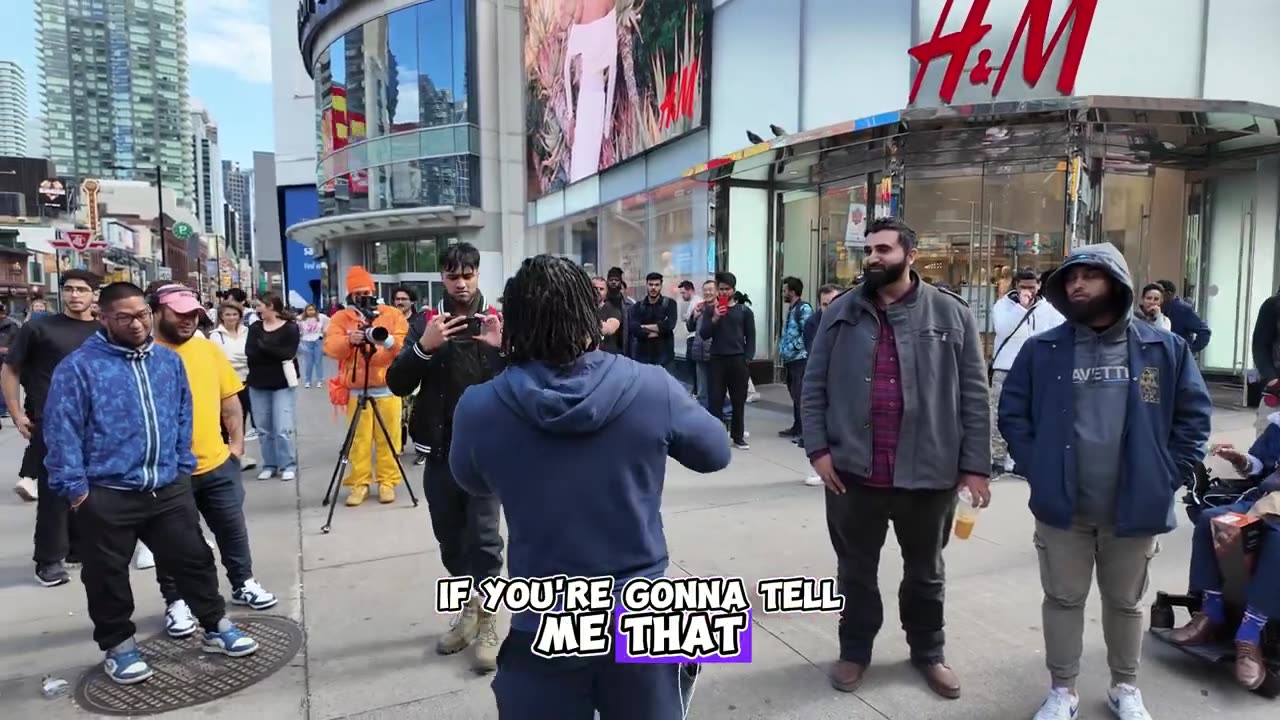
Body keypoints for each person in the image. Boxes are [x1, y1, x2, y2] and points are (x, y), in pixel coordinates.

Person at [450, 255, 732, 716]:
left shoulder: (480, 406)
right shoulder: (651, 386)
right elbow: (715, 452)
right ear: (592, 317)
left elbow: (471, 480)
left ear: (514, 322)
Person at [999, 243, 1212, 720]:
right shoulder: (1043, 350)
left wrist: (1167, 475)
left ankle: (1125, 687)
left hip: (1134, 507)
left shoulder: (1164, 348)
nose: (1077, 284)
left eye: (1090, 275)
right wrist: (1038, 466)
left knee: (1126, 602)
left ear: (1117, 283)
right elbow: (1013, 414)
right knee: (1062, 599)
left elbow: (1194, 419)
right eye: (1072, 277)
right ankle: (1062, 690)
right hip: (1062, 507)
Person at [802, 217, 990, 700]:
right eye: (868, 250)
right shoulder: (841, 311)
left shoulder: (951, 314)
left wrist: (975, 465)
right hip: (853, 475)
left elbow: (973, 393)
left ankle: (928, 651)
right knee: (855, 572)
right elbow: (814, 384)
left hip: (929, 474)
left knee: (926, 571)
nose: (872, 258)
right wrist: (819, 450)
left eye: (883, 249)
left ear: (911, 255)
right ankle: (855, 650)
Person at [42, 282, 258, 685]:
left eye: (142, 315)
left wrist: (180, 463)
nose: (137, 324)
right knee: (107, 575)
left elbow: (182, 412)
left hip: (167, 486)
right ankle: (119, 647)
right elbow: (61, 432)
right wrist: (76, 490)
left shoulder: (166, 361)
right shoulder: (79, 367)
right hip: (107, 491)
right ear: (102, 318)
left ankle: (215, 625)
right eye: (125, 318)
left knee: (194, 559)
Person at [385, 243, 505, 672]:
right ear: (442, 278)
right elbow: (396, 383)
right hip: (439, 451)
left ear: (477, 275)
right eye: (453, 275)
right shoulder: (423, 322)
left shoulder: (498, 319)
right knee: (451, 540)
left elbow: (521, 379)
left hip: (485, 453)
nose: (461, 282)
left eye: (468, 274)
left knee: (486, 544)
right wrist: (424, 347)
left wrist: (500, 348)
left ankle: (489, 621)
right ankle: (469, 610)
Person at [147, 284, 278, 638]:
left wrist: (235, 448)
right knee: (175, 542)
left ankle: (243, 582)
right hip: (169, 472)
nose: (189, 320)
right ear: (156, 312)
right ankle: (177, 601)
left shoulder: (207, 350)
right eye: (179, 313)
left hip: (218, 463)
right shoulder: (142, 355)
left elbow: (230, 401)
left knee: (232, 531)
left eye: (194, 313)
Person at [1, 270, 101, 584]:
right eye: (69, 289)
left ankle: (78, 550)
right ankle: (48, 560)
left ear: (94, 295)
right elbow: (10, 369)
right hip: (51, 421)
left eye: (82, 290)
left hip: (97, 422)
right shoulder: (38, 328)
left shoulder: (105, 331)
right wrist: (17, 413)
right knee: (54, 494)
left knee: (93, 490)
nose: (74, 295)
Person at [1170, 428, 1280, 690]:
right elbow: (1257, 464)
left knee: (1276, 538)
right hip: (1267, 501)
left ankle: (1250, 635)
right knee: (1211, 519)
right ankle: (1211, 612)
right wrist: (1239, 460)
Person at [325, 266, 409, 505]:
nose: (362, 296)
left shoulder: (392, 314)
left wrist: (387, 339)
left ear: (374, 291)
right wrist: (348, 340)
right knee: (359, 442)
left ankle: (387, 482)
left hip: (387, 388)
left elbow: (403, 347)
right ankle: (359, 484)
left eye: (366, 291)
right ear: (350, 295)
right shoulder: (341, 318)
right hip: (356, 390)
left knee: (389, 439)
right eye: (357, 293)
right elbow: (330, 347)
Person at [989, 268, 1065, 476]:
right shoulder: (1003, 306)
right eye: (1023, 287)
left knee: (1032, 415)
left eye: (1032, 286)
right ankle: (997, 459)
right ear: (1016, 286)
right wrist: (1021, 308)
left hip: (1036, 370)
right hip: (1005, 368)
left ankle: (1021, 460)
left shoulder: (1048, 309)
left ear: (1039, 286)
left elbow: (1059, 332)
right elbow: (1002, 329)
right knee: (998, 415)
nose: (1028, 291)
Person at [246, 292, 301, 481]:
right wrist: (272, 351)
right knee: (263, 428)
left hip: (282, 383)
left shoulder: (290, 328)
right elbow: (250, 353)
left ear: (270, 306)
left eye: (259, 305)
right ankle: (269, 464)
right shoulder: (255, 328)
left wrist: (264, 347)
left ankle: (288, 464)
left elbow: (288, 353)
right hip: (258, 382)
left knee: (282, 428)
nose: (257, 309)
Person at [700, 271, 756, 450]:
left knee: (738, 400)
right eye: (721, 289)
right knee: (715, 400)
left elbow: (751, 337)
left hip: (738, 360)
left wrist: (747, 358)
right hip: (717, 359)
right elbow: (703, 334)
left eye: (727, 289)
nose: (723, 293)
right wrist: (715, 317)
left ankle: (738, 436)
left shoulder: (744, 311)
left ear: (734, 290)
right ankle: (716, 436)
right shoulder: (710, 310)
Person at [211, 302, 260, 459]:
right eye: (228, 315)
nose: (231, 318)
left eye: (234, 314)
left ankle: (240, 454)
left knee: (241, 419)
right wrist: (239, 359)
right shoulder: (215, 335)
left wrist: (237, 359)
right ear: (221, 317)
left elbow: (251, 355)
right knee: (224, 421)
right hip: (224, 384)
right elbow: (221, 359)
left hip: (246, 381)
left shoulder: (248, 332)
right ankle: (225, 456)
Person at [778, 276, 813, 440]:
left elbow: (808, 332)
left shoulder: (803, 308)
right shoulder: (792, 309)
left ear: (792, 292)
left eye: (785, 291)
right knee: (794, 394)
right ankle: (796, 426)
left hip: (800, 359)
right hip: (791, 360)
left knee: (800, 395)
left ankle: (804, 431)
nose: (783, 294)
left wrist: (792, 348)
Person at [629, 272, 677, 369]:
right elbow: (634, 328)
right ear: (646, 285)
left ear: (661, 286)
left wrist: (644, 327)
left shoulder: (670, 304)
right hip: (643, 358)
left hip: (665, 359)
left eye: (656, 285)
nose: (653, 288)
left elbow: (670, 325)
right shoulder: (638, 306)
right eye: (651, 285)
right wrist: (659, 330)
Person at [1157, 279, 1210, 353]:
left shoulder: (1182, 309)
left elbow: (1204, 331)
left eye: (1158, 294)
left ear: (1168, 294)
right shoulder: (1156, 308)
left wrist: (1190, 350)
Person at [297, 304, 329, 388]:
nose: (311, 312)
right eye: (309, 310)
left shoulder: (321, 317)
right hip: (306, 341)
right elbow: (298, 328)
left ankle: (320, 380)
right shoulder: (300, 318)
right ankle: (308, 381)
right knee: (308, 362)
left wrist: (324, 332)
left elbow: (329, 322)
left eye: (312, 310)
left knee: (318, 361)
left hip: (318, 340)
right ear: (305, 311)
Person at [592, 276, 625, 354]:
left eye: (601, 289)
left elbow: (611, 328)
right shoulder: (582, 309)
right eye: (594, 288)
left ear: (606, 292)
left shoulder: (613, 309)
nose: (598, 291)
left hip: (606, 357)